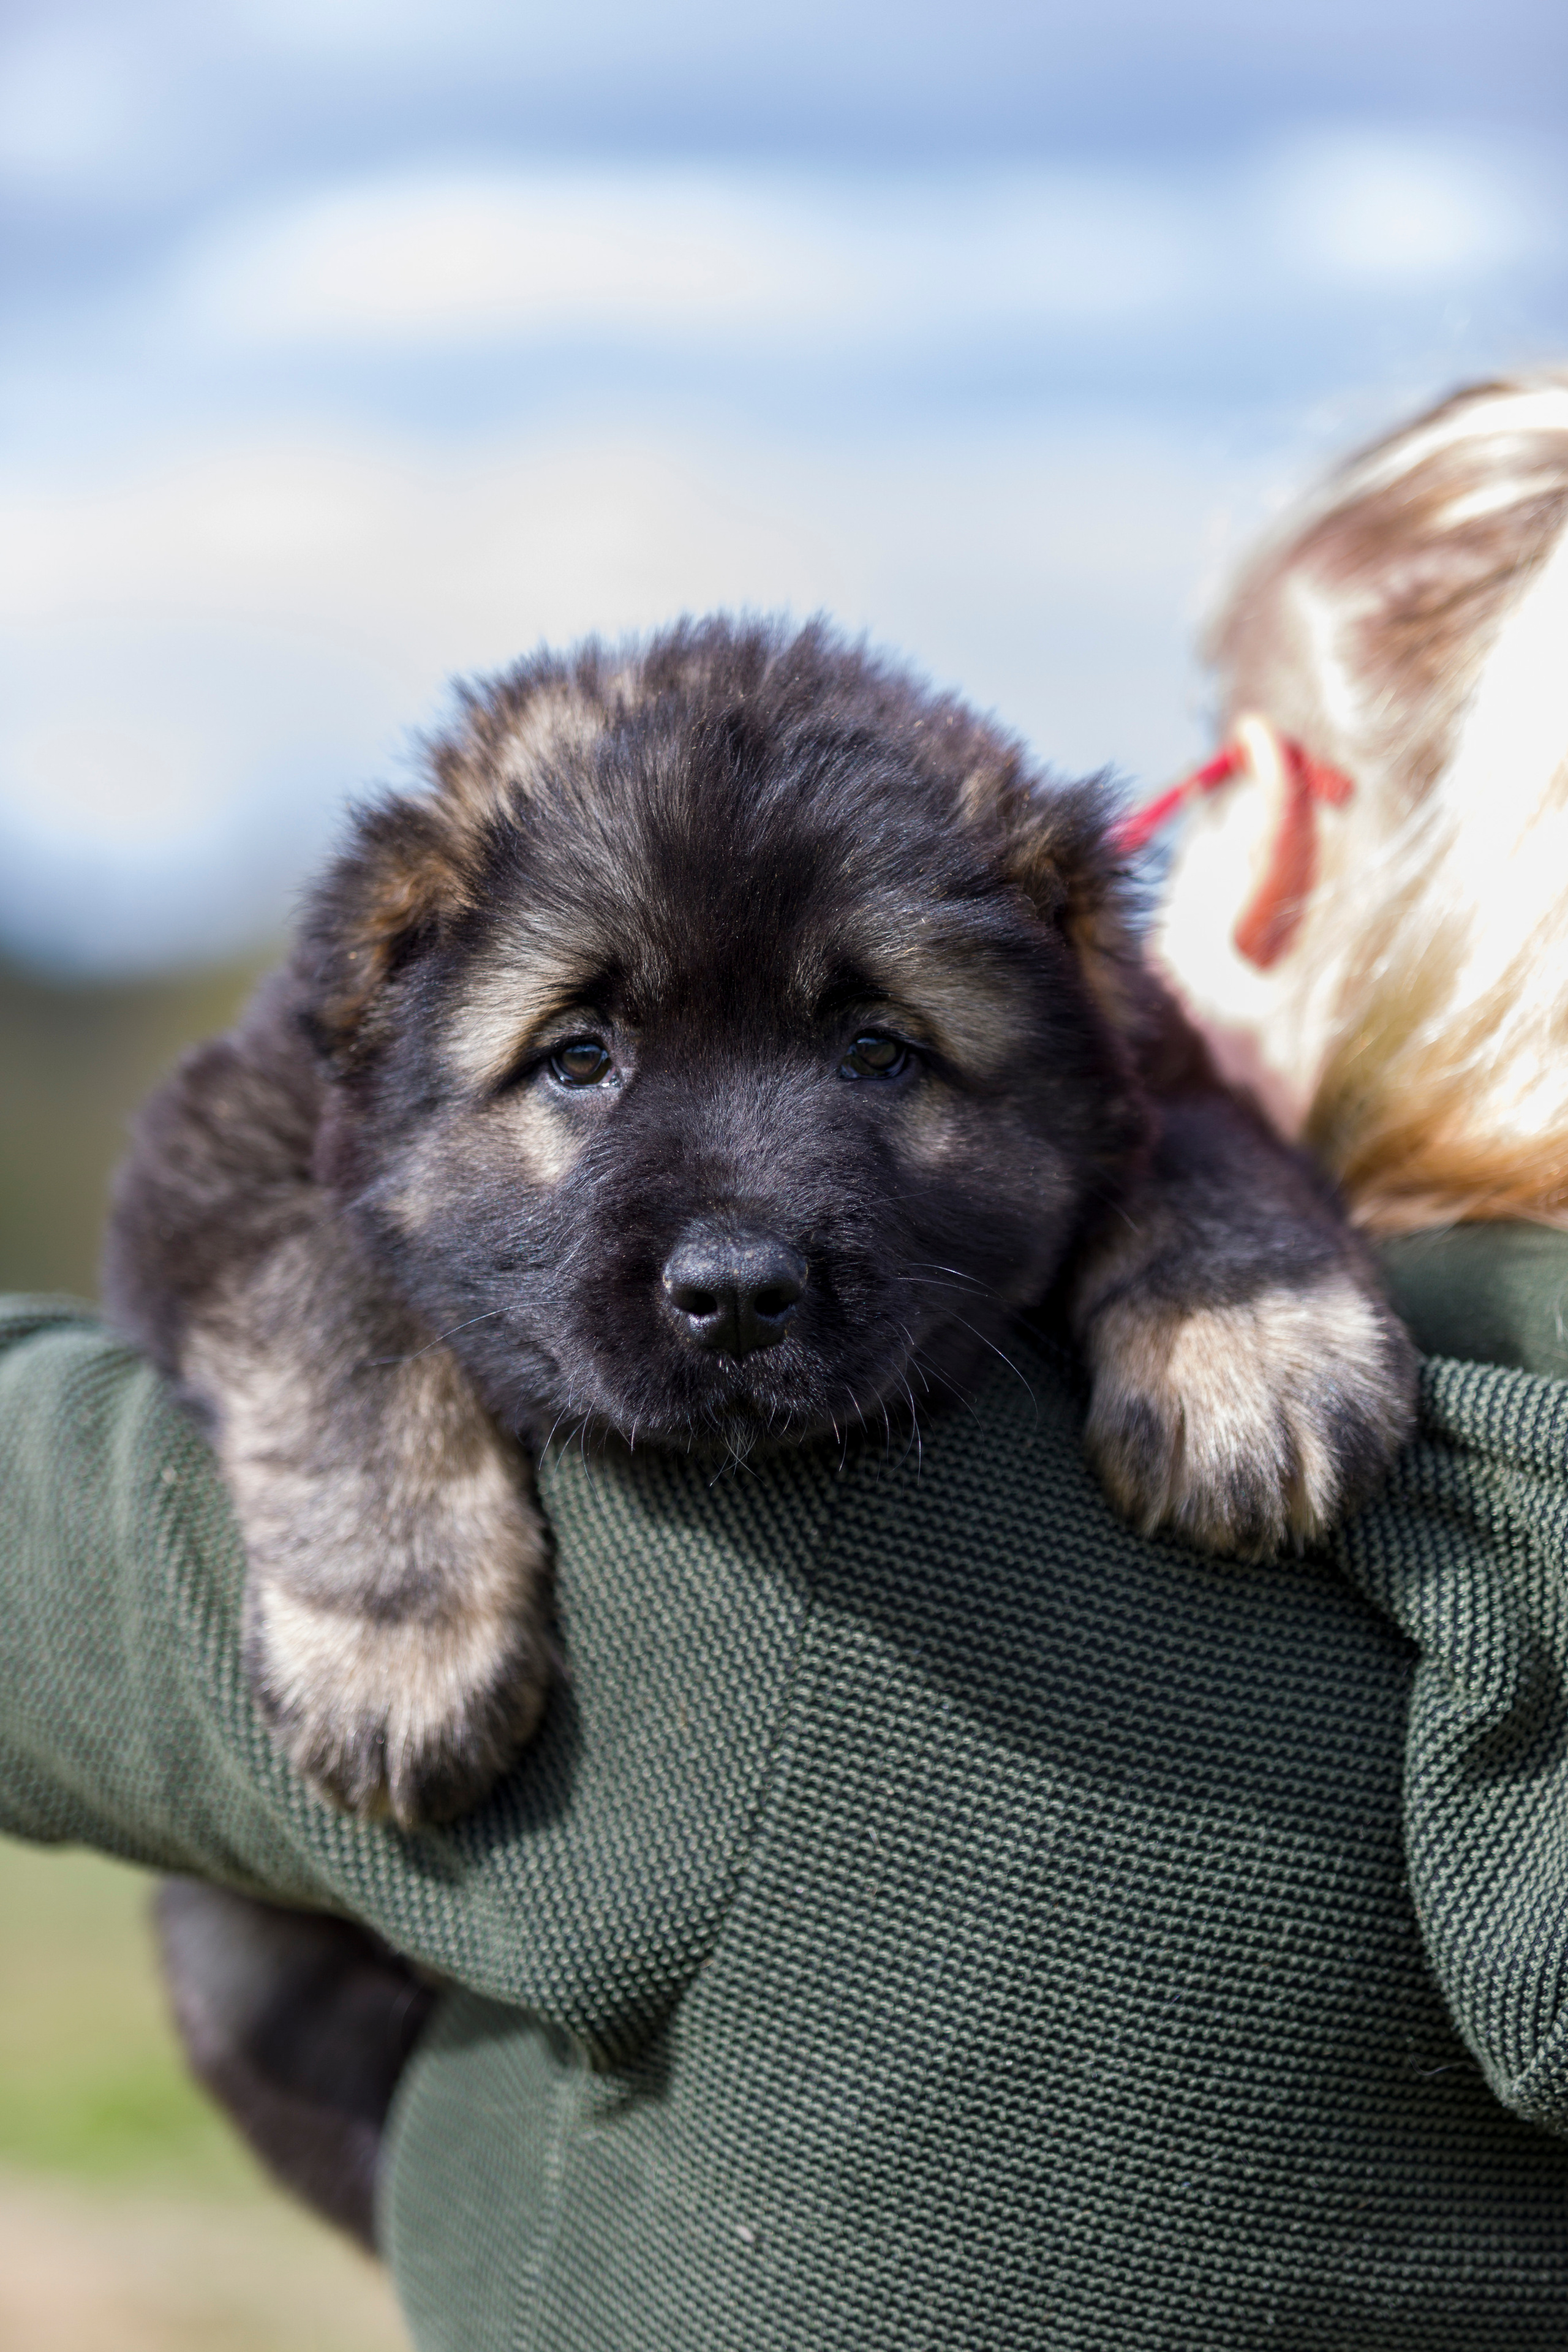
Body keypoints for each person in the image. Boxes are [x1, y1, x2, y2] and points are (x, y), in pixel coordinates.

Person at [7, 372, 1568, 2350]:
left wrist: (1211, 1240)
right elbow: (232, 1179)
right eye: (579, 1058)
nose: (734, 1233)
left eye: (875, 1054)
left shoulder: (816, 1601)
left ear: (1243, 877)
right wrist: (374, 1492)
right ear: (377, 1025)